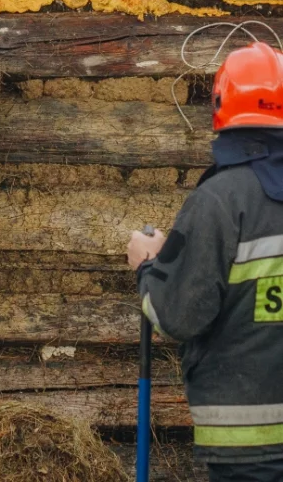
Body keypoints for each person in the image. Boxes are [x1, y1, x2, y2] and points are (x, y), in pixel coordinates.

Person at [128, 42, 283, 482]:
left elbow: (178, 315)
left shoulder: (220, 200)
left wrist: (146, 268)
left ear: (220, 106)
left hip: (247, 449)